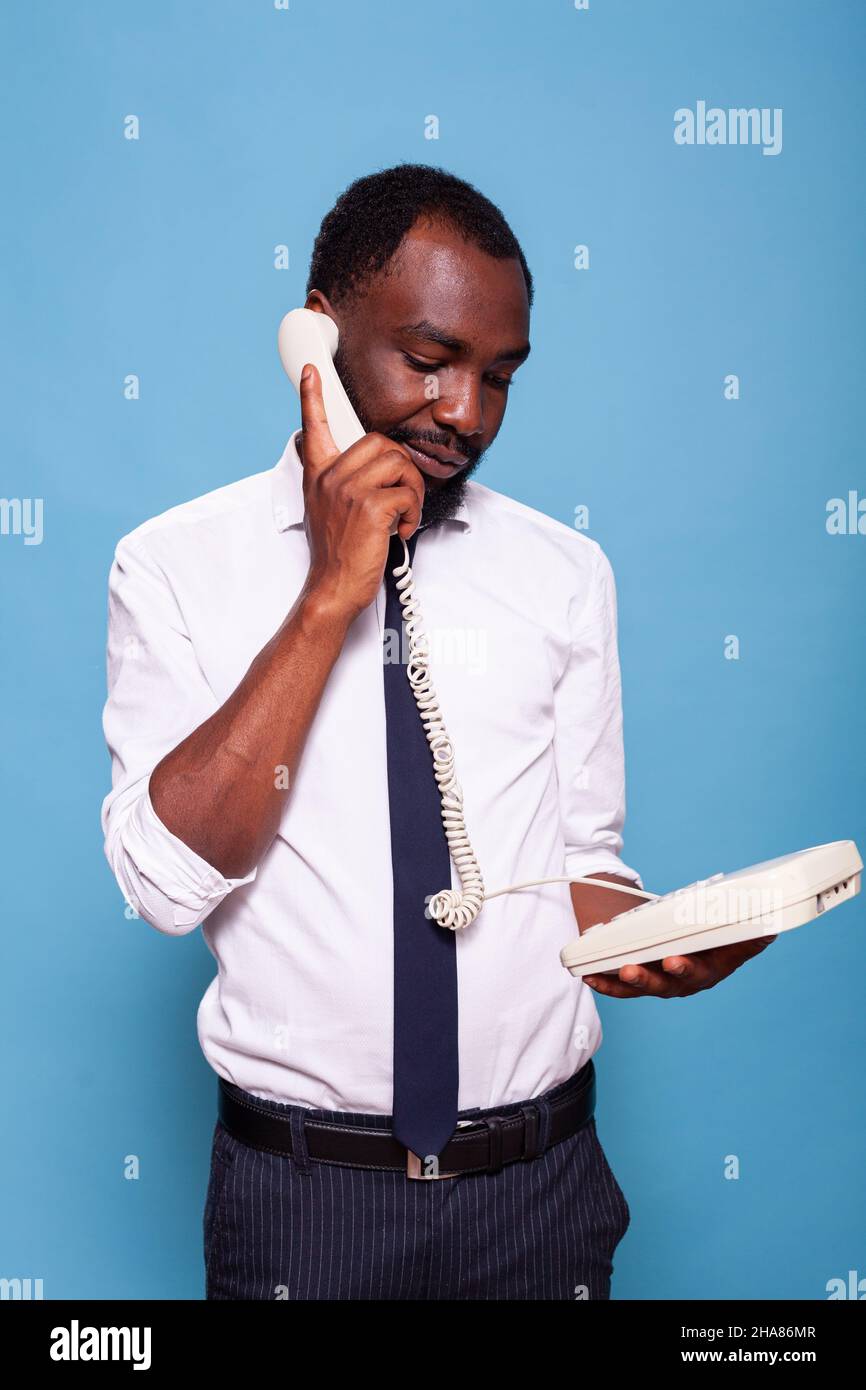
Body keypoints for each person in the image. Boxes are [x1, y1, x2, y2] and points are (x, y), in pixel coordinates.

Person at [100, 163, 775, 1301]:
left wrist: (658, 936)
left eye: (498, 377)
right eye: (427, 361)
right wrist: (327, 594)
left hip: (541, 1195)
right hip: (304, 1209)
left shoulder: (565, 573)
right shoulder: (172, 564)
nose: (465, 414)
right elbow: (166, 885)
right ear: (313, 335)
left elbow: (579, 867)